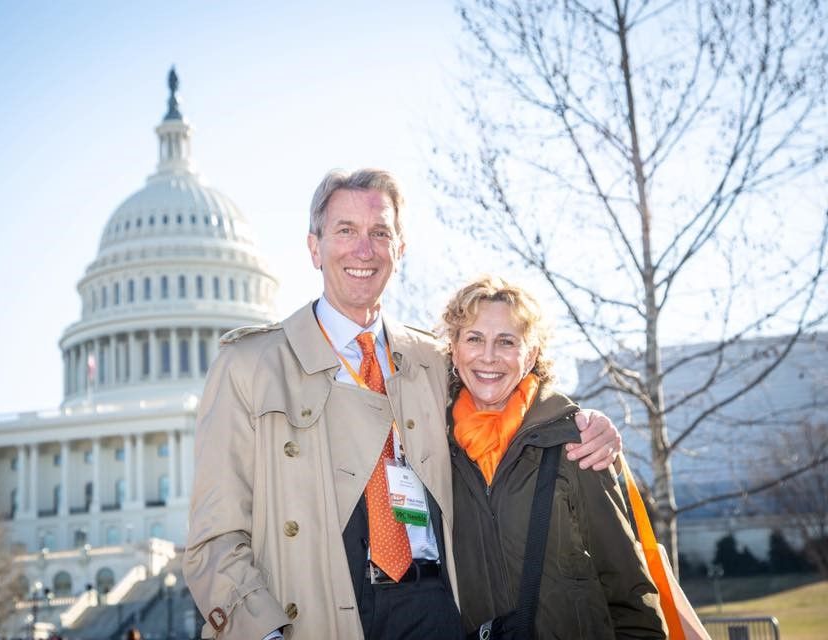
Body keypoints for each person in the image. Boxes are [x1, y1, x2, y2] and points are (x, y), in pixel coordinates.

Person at [183, 169, 622, 640]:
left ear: (400, 249)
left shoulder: (433, 357)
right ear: (314, 247)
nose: (363, 250)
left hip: (431, 601)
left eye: (380, 233)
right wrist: (262, 632)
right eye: (345, 231)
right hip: (316, 611)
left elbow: (506, 393)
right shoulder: (248, 364)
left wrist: (579, 420)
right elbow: (215, 537)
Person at [443, 276, 667, 638]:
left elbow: (628, 588)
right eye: (473, 339)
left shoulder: (575, 444)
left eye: (506, 342)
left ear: (530, 354)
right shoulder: (434, 452)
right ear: (453, 349)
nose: (487, 356)